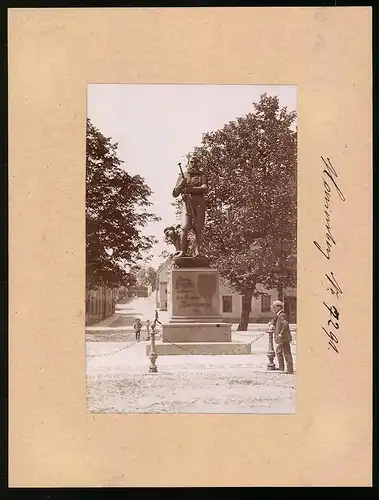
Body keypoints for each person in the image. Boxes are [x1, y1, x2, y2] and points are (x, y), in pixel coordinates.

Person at [172, 157, 208, 257]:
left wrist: (192, 189)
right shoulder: (183, 175)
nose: (193, 164)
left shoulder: (202, 175)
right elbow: (175, 193)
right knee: (184, 227)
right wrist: (180, 185)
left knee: (198, 228)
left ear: (198, 163)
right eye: (191, 162)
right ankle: (182, 251)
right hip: (187, 203)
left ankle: (198, 252)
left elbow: (205, 188)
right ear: (188, 163)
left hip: (199, 202)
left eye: (195, 162)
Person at [270, 300, 294, 374]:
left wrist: (281, 333)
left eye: (274, 307)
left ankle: (289, 370)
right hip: (283, 338)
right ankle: (282, 368)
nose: (273, 309)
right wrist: (271, 323)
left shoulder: (281, 315)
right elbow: (274, 320)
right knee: (279, 351)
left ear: (279, 307)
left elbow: (285, 324)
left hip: (283, 338)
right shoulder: (279, 315)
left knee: (286, 353)